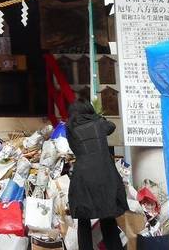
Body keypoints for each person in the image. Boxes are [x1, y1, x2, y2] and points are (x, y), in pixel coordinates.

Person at [66, 99, 127, 250]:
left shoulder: (71, 128)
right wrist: (98, 117)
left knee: (83, 221)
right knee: (107, 218)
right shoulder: (99, 123)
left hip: (83, 177)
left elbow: (74, 149)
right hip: (105, 174)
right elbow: (111, 126)